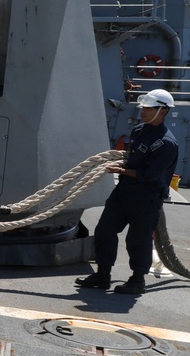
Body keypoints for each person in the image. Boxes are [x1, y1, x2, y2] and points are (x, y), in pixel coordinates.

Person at [76, 89, 179, 294]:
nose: (144, 111)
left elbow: (149, 175)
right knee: (105, 229)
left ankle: (137, 280)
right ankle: (103, 274)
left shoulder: (166, 143)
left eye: (149, 108)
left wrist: (120, 170)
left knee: (138, 239)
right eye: (144, 108)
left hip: (147, 198)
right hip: (124, 192)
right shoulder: (139, 130)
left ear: (163, 111)